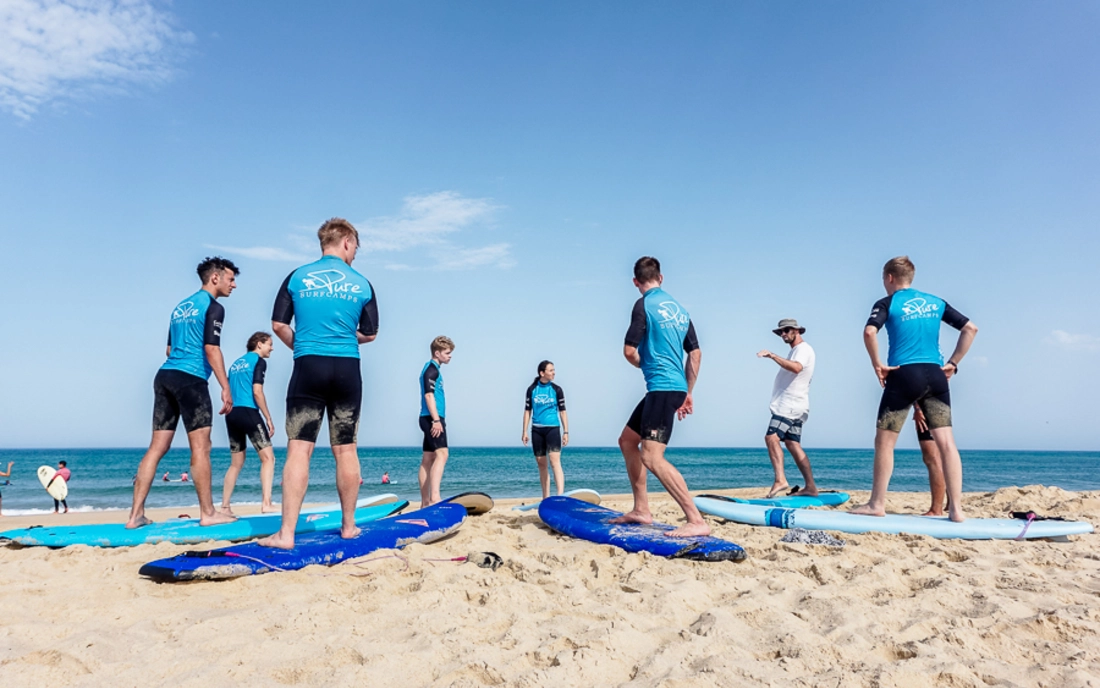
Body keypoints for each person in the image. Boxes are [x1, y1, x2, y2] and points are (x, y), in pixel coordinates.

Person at [259, 218, 379, 549]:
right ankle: (349, 526)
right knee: (346, 449)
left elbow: (278, 324)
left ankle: (285, 534)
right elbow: (370, 332)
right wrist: (340, 338)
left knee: (299, 448)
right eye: (356, 247)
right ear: (347, 242)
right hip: (346, 368)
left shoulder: (297, 277)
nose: (355, 253)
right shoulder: (362, 283)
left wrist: (305, 345)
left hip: (308, 365)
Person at [851, 256, 978, 522]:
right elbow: (970, 328)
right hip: (936, 374)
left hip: (903, 374)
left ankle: (877, 504)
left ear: (889, 278)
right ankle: (956, 509)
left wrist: (878, 365)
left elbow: (869, 332)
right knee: (947, 444)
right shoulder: (936, 302)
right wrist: (954, 363)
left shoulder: (887, 302)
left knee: (884, 443)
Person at [126, 257, 240, 529]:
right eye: (230, 278)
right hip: (191, 379)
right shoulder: (214, 307)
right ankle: (208, 513)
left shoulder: (180, 308)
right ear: (215, 277)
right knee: (201, 447)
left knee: (156, 448)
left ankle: (135, 515)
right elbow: (212, 349)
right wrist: (226, 386)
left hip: (164, 376)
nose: (233, 284)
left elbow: (169, 349)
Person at [610, 256, 709, 537]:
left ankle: (696, 520)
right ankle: (641, 509)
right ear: (661, 278)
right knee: (628, 440)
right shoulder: (680, 310)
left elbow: (629, 351)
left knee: (653, 457)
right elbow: (696, 353)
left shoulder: (643, 305)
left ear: (635, 282)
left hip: (662, 387)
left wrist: (644, 362)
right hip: (673, 387)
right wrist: (688, 392)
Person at [757, 319, 818, 498]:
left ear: (797, 331)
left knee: (771, 437)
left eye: (787, 330)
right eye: (781, 332)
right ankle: (811, 487)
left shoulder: (803, 349)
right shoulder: (796, 351)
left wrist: (772, 356)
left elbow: (797, 368)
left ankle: (780, 480)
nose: (783, 334)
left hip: (790, 404)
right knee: (792, 444)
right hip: (796, 404)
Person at [221, 331, 278, 514]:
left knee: (236, 463)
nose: (272, 348)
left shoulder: (235, 364)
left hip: (231, 414)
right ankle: (267, 503)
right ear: (259, 344)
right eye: (270, 344)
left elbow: (228, 391)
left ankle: (225, 507)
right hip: (248, 411)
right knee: (268, 458)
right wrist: (268, 417)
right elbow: (257, 392)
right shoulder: (259, 362)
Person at [521, 360, 570, 498]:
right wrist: (524, 431)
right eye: (550, 370)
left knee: (555, 462)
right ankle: (545, 497)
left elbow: (563, 411)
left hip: (553, 429)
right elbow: (527, 411)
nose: (553, 373)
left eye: (554, 370)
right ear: (542, 373)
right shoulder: (532, 390)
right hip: (537, 430)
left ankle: (560, 495)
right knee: (541, 464)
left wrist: (566, 431)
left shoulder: (557, 389)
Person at [418, 336, 454, 507]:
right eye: (447, 353)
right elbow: (428, 395)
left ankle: (425, 502)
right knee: (442, 454)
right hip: (432, 418)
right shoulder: (432, 370)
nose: (450, 356)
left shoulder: (432, 369)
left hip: (428, 418)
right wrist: (436, 420)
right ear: (437, 353)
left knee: (428, 458)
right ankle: (434, 498)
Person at [914, 408, 947, 516]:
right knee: (939, 455)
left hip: (927, 406)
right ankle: (949, 502)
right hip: (935, 404)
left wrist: (918, 408)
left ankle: (936, 509)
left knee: (932, 457)